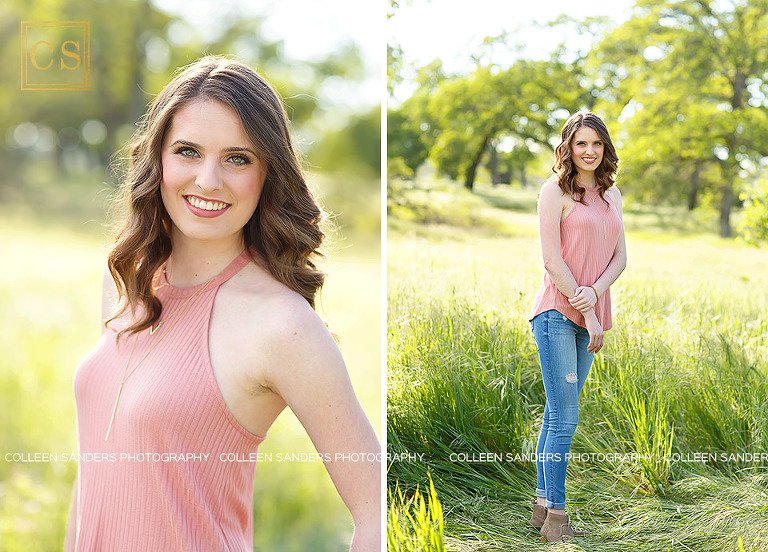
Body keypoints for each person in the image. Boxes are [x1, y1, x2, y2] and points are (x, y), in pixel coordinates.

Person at [64, 56, 381, 551]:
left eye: (238, 158)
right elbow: (96, 474)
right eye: (188, 151)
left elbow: (374, 512)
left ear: (268, 172)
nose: (208, 181)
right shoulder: (126, 281)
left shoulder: (281, 324)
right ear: (158, 160)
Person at [527, 111, 627, 542]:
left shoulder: (611, 194)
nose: (589, 151)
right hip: (556, 315)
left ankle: (541, 507)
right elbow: (552, 260)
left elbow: (621, 256)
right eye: (581, 143)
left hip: (591, 313)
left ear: (605, 150)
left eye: (597, 144)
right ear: (568, 147)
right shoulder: (554, 192)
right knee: (566, 417)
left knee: (555, 415)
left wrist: (596, 292)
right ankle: (559, 519)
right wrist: (585, 308)